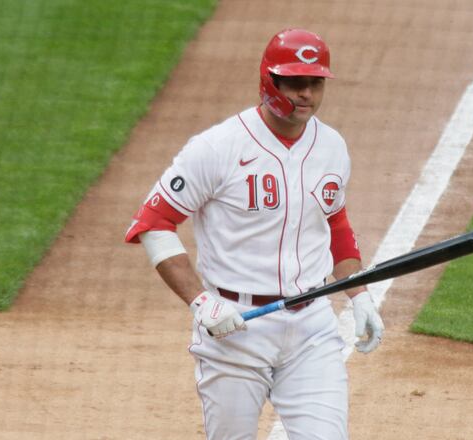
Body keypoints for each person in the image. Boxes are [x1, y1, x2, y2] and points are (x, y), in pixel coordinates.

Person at [125, 28, 384, 440]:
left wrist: (358, 293)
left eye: (315, 83)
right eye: (295, 82)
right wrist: (201, 302)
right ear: (269, 80)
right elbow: (153, 224)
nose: (307, 94)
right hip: (234, 329)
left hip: (311, 328)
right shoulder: (216, 148)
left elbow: (335, 222)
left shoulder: (331, 146)